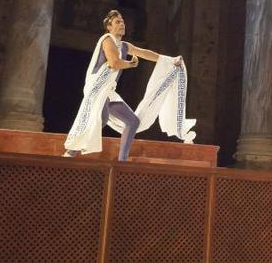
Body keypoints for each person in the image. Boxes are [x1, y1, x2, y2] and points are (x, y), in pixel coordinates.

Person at [64, 10, 189, 161]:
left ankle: (122, 160)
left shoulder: (124, 46)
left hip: (108, 90)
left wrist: (169, 61)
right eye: (117, 22)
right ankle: (70, 151)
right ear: (109, 27)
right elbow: (114, 62)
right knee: (101, 119)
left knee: (132, 121)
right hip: (97, 88)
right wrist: (130, 64)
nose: (122, 24)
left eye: (123, 22)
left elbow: (144, 53)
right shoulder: (107, 39)